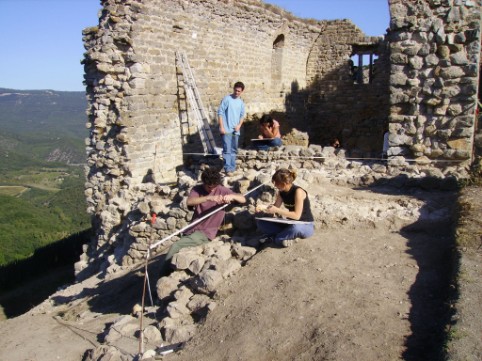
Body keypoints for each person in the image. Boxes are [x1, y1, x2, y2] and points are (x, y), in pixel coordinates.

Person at [159, 168, 246, 276]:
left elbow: (243, 199)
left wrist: (232, 196)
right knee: (178, 250)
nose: (212, 190)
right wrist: (209, 198)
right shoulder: (197, 189)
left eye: (214, 187)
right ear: (204, 183)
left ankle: (162, 276)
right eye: (209, 187)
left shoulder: (222, 190)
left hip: (205, 232)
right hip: (192, 228)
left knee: (175, 247)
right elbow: (190, 201)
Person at [255, 168, 314, 247]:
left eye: (277, 183)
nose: (275, 185)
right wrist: (263, 208)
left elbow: (297, 216)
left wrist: (277, 210)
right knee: (261, 223)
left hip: (304, 225)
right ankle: (285, 236)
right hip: (290, 223)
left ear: (284, 183)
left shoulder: (298, 192)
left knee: (295, 228)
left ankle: (276, 239)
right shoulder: (281, 192)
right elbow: (275, 207)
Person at [217, 81, 246, 176]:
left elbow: (242, 116)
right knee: (227, 149)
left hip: (236, 130)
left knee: (234, 149)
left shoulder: (241, 103)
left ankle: (232, 168)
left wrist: (239, 125)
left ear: (242, 91)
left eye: (239, 91)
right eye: (236, 90)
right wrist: (221, 127)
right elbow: (220, 113)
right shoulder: (227, 99)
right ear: (233, 89)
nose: (237, 92)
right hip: (226, 129)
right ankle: (227, 168)